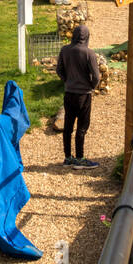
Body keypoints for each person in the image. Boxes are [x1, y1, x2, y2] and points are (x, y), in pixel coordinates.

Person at [55, 24, 100, 168]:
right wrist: (91, 86)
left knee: (68, 125)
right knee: (82, 126)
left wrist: (67, 81)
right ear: (87, 37)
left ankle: (68, 157)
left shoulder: (65, 50)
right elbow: (97, 77)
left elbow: (59, 70)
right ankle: (80, 158)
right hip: (83, 95)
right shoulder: (89, 53)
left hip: (69, 93)